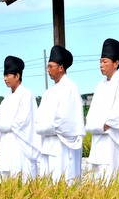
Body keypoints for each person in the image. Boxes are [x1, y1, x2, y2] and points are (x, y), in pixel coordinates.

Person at [36, 45, 85, 183]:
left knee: (62, 181)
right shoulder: (48, 92)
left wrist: (43, 128)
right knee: (48, 183)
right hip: (47, 145)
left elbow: (63, 120)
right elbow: (39, 118)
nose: (48, 70)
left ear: (61, 68)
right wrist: (42, 126)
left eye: (51, 66)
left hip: (62, 146)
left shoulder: (70, 88)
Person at [85, 39, 119, 181]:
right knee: (97, 177)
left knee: (113, 174)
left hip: (113, 138)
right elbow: (93, 111)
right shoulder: (100, 85)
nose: (101, 65)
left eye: (105, 61)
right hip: (98, 136)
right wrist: (94, 125)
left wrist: (105, 125)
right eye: (100, 62)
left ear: (116, 63)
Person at [0, 56, 41, 180]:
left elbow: (20, 122)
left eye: (8, 75)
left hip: (20, 146)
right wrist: (6, 125)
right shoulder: (7, 97)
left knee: (21, 177)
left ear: (17, 76)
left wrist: (5, 125)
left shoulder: (26, 94)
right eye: (4, 75)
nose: (5, 78)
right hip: (6, 145)